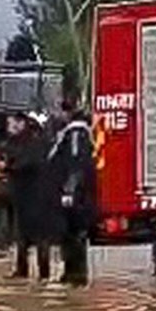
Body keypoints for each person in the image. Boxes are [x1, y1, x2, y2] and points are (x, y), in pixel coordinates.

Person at [4, 111, 63, 280]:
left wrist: (8, 167)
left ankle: (43, 274)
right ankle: (22, 271)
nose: (9, 128)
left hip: (38, 198)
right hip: (23, 197)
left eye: (12, 124)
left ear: (22, 124)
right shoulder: (16, 142)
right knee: (22, 237)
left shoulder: (36, 142)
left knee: (40, 239)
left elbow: (28, 163)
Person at [50, 107, 97, 286]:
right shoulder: (74, 134)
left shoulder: (76, 133)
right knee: (71, 235)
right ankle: (72, 273)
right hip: (77, 194)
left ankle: (76, 275)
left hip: (76, 196)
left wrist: (69, 190)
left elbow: (76, 163)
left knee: (74, 234)